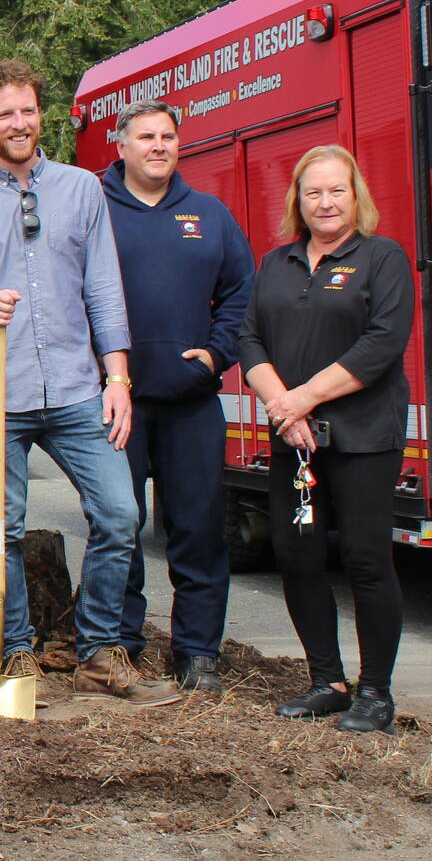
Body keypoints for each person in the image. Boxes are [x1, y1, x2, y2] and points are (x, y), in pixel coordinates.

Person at [0, 59, 179, 705]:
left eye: (27, 110)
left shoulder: (81, 190)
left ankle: (97, 648)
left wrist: (116, 376)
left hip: (73, 386)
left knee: (120, 513)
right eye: (4, 113)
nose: (18, 123)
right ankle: (16, 652)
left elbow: (103, 288)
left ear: (41, 116)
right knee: (1, 525)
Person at [237, 145, 412, 734]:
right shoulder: (277, 263)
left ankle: (376, 693)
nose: (326, 202)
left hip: (364, 439)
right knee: (297, 555)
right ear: (298, 201)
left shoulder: (382, 258)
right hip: (296, 443)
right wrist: (282, 409)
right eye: (313, 192)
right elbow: (249, 341)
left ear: (355, 195)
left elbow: (382, 343)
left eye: (336, 190)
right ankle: (327, 682)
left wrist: (303, 398)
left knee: (365, 559)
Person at [101, 99, 252, 692]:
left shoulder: (209, 215)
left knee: (198, 529)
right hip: (118, 404)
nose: (159, 146)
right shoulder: (95, 211)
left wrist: (216, 354)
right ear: (121, 146)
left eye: (168, 136)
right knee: (120, 526)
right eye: (146, 137)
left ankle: (196, 653)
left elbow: (242, 293)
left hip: (192, 401)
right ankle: (122, 646)